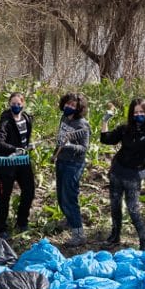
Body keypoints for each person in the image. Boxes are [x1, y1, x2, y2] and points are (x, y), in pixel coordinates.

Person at [99, 99, 145, 250]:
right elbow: (106, 139)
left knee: (133, 210)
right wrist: (105, 121)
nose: (139, 115)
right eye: (136, 112)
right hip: (117, 172)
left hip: (134, 177)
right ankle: (115, 237)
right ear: (131, 114)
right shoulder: (125, 129)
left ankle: (144, 242)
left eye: (142, 112)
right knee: (115, 207)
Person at [0, 92, 36, 239]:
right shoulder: (6, 120)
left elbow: (24, 139)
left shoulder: (27, 118)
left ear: (23, 104)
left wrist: (27, 146)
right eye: (13, 104)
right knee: (5, 195)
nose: (16, 106)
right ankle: (0, 227)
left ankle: (22, 221)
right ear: (9, 104)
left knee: (29, 190)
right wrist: (14, 149)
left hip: (23, 160)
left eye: (19, 104)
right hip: (7, 162)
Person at [55, 92, 91, 247]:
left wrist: (69, 145)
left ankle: (79, 233)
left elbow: (84, 148)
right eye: (67, 104)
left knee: (70, 197)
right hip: (61, 160)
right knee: (61, 196)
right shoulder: (64, 117)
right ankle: (70, 220)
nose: (69, 107)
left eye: (73, 106)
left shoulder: (82, 125)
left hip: (74, 164)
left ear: (78, 109)